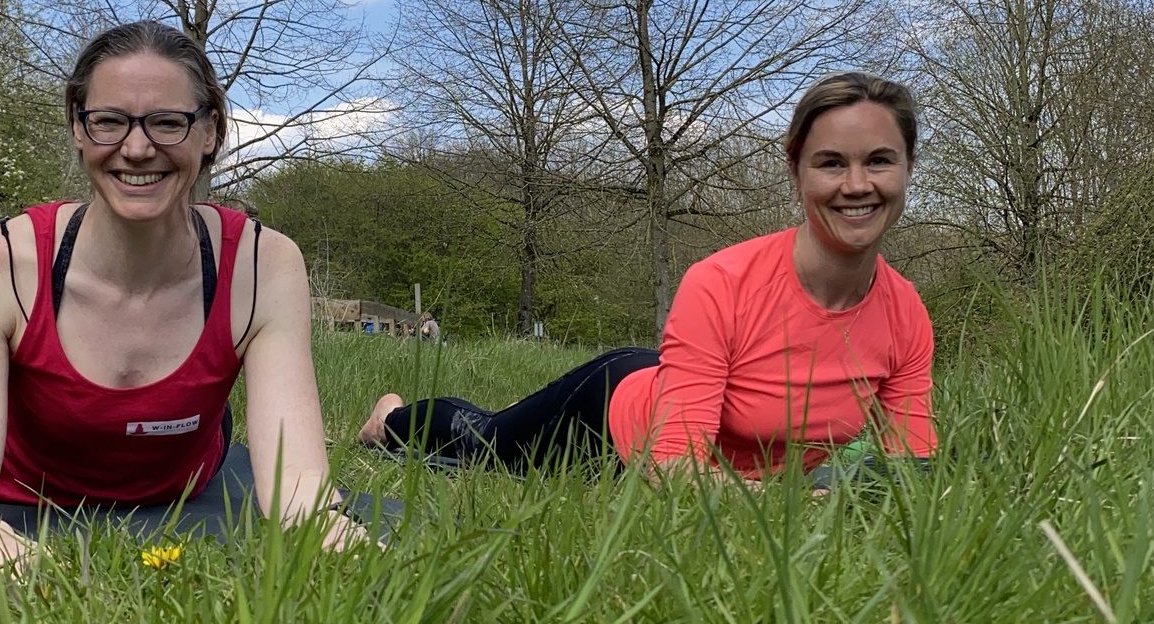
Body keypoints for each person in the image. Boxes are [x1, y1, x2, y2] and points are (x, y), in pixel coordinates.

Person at [0, 21, 362, 579]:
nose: (137, 149)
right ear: (77, 127)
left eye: (168, 122)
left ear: (210, 131)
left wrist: (341, 541)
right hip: (22, 477)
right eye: (109, 122)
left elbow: (299, 492)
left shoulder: (265, 266)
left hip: (182, 455)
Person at [358, 72, 935, 482]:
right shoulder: (724, 281)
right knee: (482, 442)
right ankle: (389, 420)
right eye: (832, 162)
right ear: (796, 169)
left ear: (908, 167)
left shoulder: (906, 314)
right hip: (612, 421)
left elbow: (908, 469)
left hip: (683, 401)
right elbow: (674, 471)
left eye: (879, 160)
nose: (857, 184)